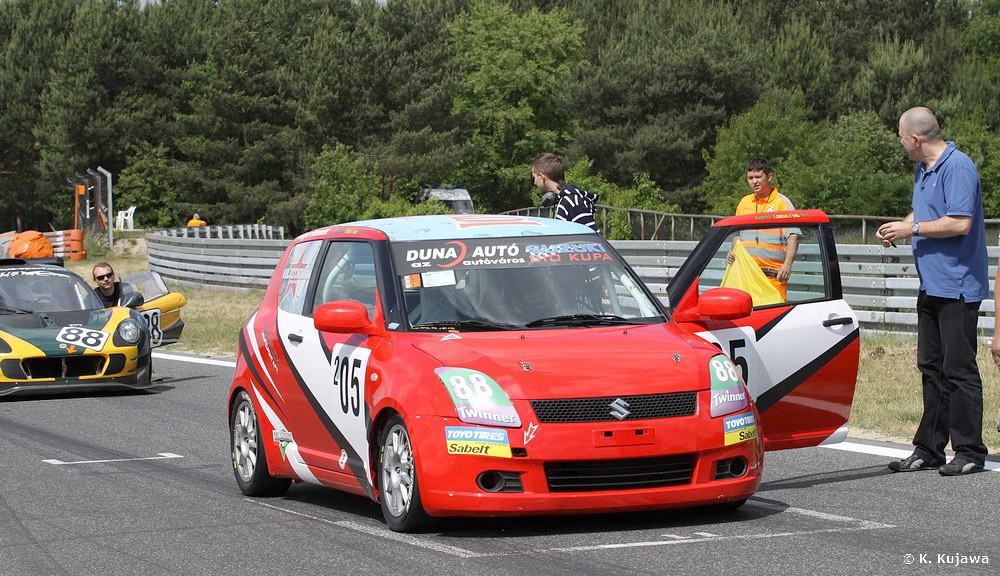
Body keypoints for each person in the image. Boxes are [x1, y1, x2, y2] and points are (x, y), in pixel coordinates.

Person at [877, 106, 988, 476]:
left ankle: (970, 451)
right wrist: (900, 226)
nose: (900, 143)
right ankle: (929, 448)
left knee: (959, 369)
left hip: (957, 286)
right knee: (931, 368)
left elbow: (959, 222)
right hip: (931, 283)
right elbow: (922, 214)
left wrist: (912, 230)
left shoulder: (958, 167)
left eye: (901, 137)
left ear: (916, 138)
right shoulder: (923, 169)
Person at [728, 158, 799, 301]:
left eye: (758, 177)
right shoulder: (744, 202)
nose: (754, 181)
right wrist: (733, 251)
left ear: (769, 177)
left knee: (774, 313)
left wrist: (787, 264)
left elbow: (793, 235)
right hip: (747, 276)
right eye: (750, 178)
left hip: (772, 277)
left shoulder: (781, 202)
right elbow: (737, 234)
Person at [531, 153, 599, 232]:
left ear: (542, 177)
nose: (534, 182)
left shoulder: (572, 201)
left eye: (534, 177)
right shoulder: (565, 200)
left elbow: (589, 235)